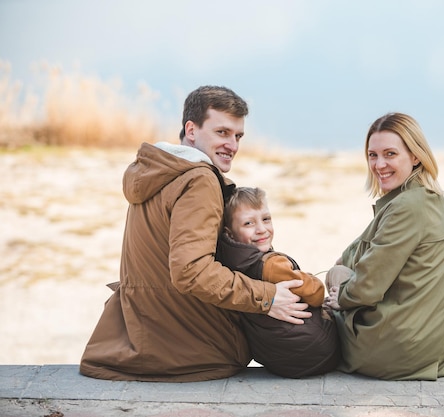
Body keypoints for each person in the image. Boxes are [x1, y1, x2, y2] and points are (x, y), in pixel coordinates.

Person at [80, 85, 311, 382]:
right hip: (191, 346)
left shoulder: (160, 171)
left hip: (144, 333)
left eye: (238, 136)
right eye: (222, 133)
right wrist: (266, 297)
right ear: (191, 129)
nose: (233, 145)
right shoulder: (199, 180)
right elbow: (191, 271)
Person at [324, 112, 444, 381]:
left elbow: (367, 287)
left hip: (400, 349)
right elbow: (359, 252)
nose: (379, 164)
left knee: (335, 280)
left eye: (390, 154)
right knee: (339, 273)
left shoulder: (406, 207)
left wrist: (339, 298)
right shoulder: (425, 197)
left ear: (415, 156)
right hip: (435, 342)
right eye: (372, 155)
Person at [216, 186, 341, 378]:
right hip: (317, 351)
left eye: (266, 219)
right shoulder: (272, 265)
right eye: (249, 223)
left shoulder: (226, 263)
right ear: (230, 233)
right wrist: (309, 278)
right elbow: (315, 294)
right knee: (338, 275)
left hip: (278, 361)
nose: (261, 229)